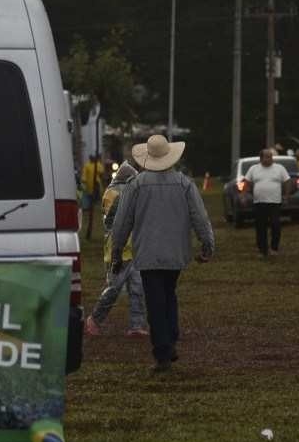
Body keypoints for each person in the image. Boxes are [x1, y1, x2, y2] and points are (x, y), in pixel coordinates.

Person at [110, 134, 215, 373]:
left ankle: (163, 351)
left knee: (155, 301)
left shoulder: (135, 185)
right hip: (176, 252)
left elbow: (122, 222)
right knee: (169, 294)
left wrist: (116, 251)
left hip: (147, 252)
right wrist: (207, 245)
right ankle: (170, 339)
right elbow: (200, 217)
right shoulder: (184, 183)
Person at [85, 162, 148, 337]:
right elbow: (119, 219)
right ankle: (94, 319)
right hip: (118, 250)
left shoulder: (119, 192)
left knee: (137, 288)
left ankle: (137, 325)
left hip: (133, 249)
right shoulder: (114, 193)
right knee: (113, 288)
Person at [244, 148, 292, 257]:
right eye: (267, 157)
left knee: (276, 225)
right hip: (259, 202)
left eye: (271, 156)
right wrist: (244, 195)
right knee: (261, 226)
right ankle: (263, 250)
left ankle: (274, 248)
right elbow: (246, 182)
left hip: (275, 202)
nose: (270, 159)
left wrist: (287, 195)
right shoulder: (254, 169)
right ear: (261, 158)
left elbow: (287, 181)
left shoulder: (279, 168)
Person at [80, 153, 105, 240]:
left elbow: (101, 172)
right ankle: (88, 207)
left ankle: (94, 204)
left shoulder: (97, 164)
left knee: (95, 196)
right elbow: (84, 175)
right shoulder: (87, 165)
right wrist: (84, 181)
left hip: (96, 184)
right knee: (89, 196)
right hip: (89, 185)